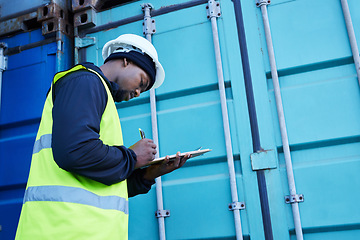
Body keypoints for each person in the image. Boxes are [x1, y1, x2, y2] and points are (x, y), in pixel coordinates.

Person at [15, 34, 190, 240]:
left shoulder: (99, 94)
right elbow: (74, 152)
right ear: (126, 60)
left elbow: (98, 187)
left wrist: (147, 174)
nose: (138, 91)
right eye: (141, 82)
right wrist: (132, 157)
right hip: (62, 232)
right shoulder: (85, 81)